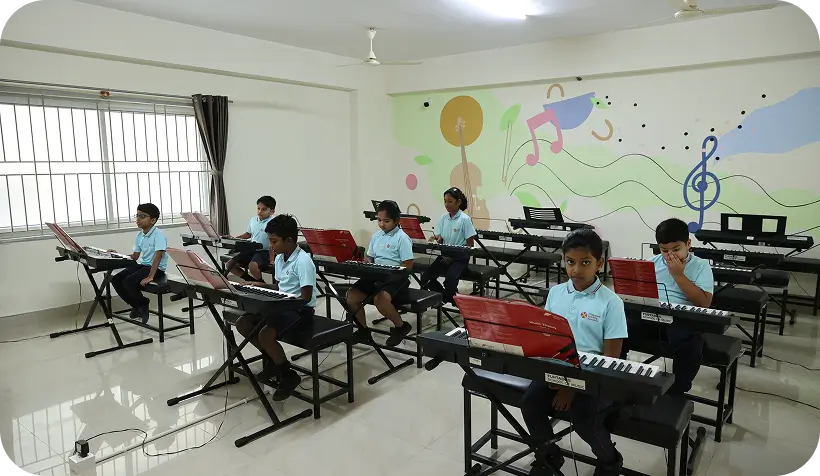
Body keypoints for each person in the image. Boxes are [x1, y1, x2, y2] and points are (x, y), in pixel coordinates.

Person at [521, 228, 626, 476]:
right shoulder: (556, 294)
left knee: (584, 418)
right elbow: (547, 339)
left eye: (585, 262)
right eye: (570, 262)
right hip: (558, 367)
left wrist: (571, 386)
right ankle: (549, 455)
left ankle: (610, 460)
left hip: (596, 376)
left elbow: (610, 358)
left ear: (600, 264)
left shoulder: (611, 303)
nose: (576, 270)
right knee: (530, 404)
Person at [626, 217, 713, 394]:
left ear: (688, 244)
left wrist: (678, 275)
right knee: (619, 329)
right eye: (664, 250)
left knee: (691, 343)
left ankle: (677, 391)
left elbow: (704, 302)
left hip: (682, 318)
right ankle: (618, 380)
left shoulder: (701, 266)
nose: (670, 255)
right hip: (652, 314)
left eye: (676, 249)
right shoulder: (653, 263)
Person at [236, 214, 315, 401]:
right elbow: (281, 287)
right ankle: (273, 362)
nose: (271, 246)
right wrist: (264, 287)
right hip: (282, 304)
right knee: (244, 323)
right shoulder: (280, 258)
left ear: (289, 240)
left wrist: (280, 302)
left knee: (265, 334)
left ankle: (288, 374)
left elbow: (305, 297)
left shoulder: (303, 261)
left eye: (274, 241)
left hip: (300, 309)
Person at [346, 200, 414, 347]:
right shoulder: (377, 236)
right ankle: (363, 330)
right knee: (351, 296)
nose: (382, 224)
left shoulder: (402, 238)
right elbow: (369, 257)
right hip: (376, 275)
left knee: (380, 299)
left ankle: (401, 326)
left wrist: (393, 271)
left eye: (386, 221)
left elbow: (408, 265)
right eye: (379, 220)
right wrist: (366, 263)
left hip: (396, 278)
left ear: (396, 221)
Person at [110, 203, 168, 323]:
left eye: (142, 216)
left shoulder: (159, 235)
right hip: (143, 265)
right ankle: (138, 305)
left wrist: (150, 276)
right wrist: (118, 255)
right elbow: (135, 257)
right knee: (116, 279)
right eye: (137, 216)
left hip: (156, 269)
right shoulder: (140, 235)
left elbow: (158, 256)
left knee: (128, 281)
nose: (138, 219)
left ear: (152, 220)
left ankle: (142, 304)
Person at [421, 187, 477, 304]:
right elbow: (440, 238)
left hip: (459, 258)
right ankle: (446, 298)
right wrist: (437, 238)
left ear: (459, 202)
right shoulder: (443, 218)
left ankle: (446, 299)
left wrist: (459, 256)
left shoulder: (465, 220)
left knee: (450, 280)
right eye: (445, 201)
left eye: (450, 201)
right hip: (445, 256)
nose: (447, 204)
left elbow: (470, 243)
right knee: (426, 277)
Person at [224, 196, 276, 283]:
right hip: (252, 249)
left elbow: (273, 241)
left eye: (264, 209)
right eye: (258, 208)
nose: (260, 212)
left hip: (264, 251)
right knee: (229, 264)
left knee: (253, 266)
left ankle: (260, 283)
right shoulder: (253, 220)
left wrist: (272, 260)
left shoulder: (273, 222)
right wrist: (234, 238)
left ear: (272, 211)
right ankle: (251, 280)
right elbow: (248, 234)